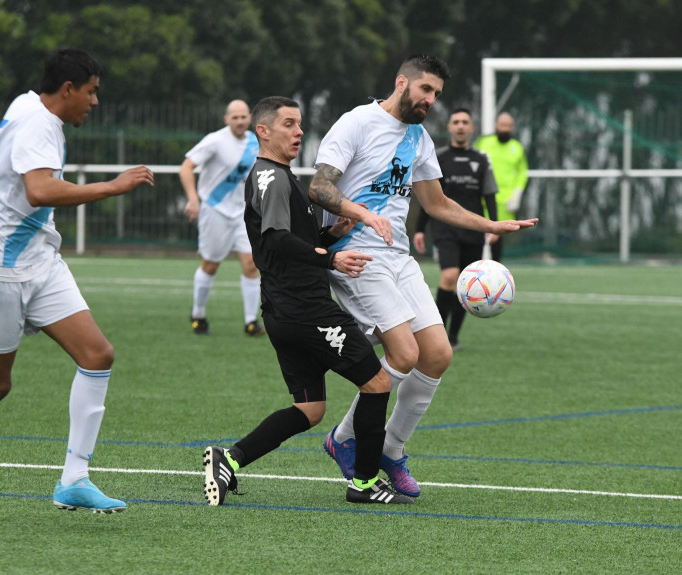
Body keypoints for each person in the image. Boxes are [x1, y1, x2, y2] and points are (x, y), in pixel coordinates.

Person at [0, 47, 155, 522]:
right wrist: (113, 186)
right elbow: (40, 190)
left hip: (38, 260)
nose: (95, 103)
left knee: (97, 354)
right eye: (91, 93)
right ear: (68, 90)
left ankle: (74, 480)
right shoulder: (40, 124)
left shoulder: (26, 104)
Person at [308, 55, 537, 498]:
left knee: (437, 354)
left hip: (397, 257)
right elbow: (320, 188)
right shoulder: (356, 123)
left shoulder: (419, 138)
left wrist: (492, 225)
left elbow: (437, 204)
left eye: (436, 95)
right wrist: (360, 214)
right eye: (426, 90)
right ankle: (344, 440)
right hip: (356, 253)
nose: (431, 100)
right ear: (402, 83)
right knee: (405, 352)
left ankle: (392, 450)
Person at [202, 96, 413, 507]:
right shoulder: (272, 178)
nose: (299, 132)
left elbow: (290, 241)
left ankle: (230, 459)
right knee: (378, 383)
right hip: (306, 308)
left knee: (311, 408)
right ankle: (365, 485)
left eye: (300, 125)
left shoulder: (278, 176)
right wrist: (332, 257)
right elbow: (277, 241)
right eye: (288, 124)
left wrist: (331, 236)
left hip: (283, 310)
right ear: (263, 131)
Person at [413, 108, 499, 350]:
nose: (460, 126)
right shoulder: (438, 157)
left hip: (472, 228)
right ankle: (437, 336)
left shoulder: (481, 160)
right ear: (449, 127)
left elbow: (489, 195)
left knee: (466, 283)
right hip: (445, 228)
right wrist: (420, 229)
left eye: (465, 122)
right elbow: (429, 198)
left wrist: (493, 226)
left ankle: (453, 337)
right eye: (456, 122)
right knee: (449, 276)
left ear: (471, 128)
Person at [180, 99, 264, 336]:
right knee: (211, 264)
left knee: (250, 264)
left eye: (243, 117)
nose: (240, 121)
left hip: (243, 213)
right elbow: (186, 167)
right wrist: (193, 199)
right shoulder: (215, 141)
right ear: (226, 119)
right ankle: (198, 313)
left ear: (250, 119)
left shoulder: (254, 143)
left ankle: (251, 322)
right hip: (215, 209)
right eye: (234, 117)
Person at [473, 111, 529, 262]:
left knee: (496, 242)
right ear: (496, 125)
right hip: (480, 200)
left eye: (509, 126)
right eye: (502, 125)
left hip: (504, 204)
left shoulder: (517, 148)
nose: (505, 128)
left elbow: (522, 173)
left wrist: (517, 194)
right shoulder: (484, 143)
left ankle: (495, 278)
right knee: (474, 240)